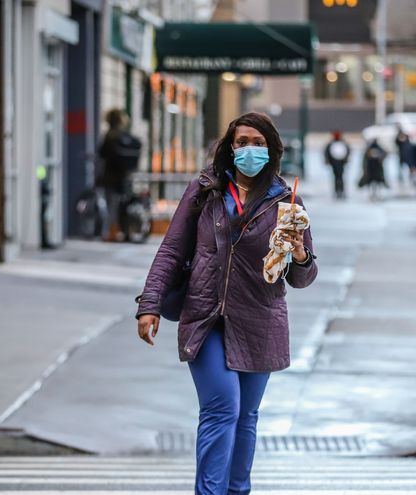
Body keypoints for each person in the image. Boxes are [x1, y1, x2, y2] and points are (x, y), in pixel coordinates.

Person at [135, 112, 318, 495]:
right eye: (241, 142)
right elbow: (172, 249)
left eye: (257, 142)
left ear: (271, 149)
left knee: (246, 417)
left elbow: (301, 278)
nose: (249, 149)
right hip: (205, 317)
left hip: (259, 319)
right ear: (229, 148)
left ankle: (238, 491)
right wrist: (150, 302)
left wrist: (299, 253)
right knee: (222, 408)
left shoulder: (287, 201)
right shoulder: (206, 190)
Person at [98, 109, 142, 241]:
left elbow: (102, 153)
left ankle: (112, 232)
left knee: (111, 205)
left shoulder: (110, 136)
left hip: (110, 176)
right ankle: (126, 231)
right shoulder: (127, 136)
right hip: (126, 176)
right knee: (124, 204)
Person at [324, 131, 350, 199]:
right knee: (338, 177)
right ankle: (338, 191)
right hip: (336, 163)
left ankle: (340, 191)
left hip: (339, 162)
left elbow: (347, 152)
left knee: (338, 177)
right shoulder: (340, 143)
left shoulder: (334, 143)